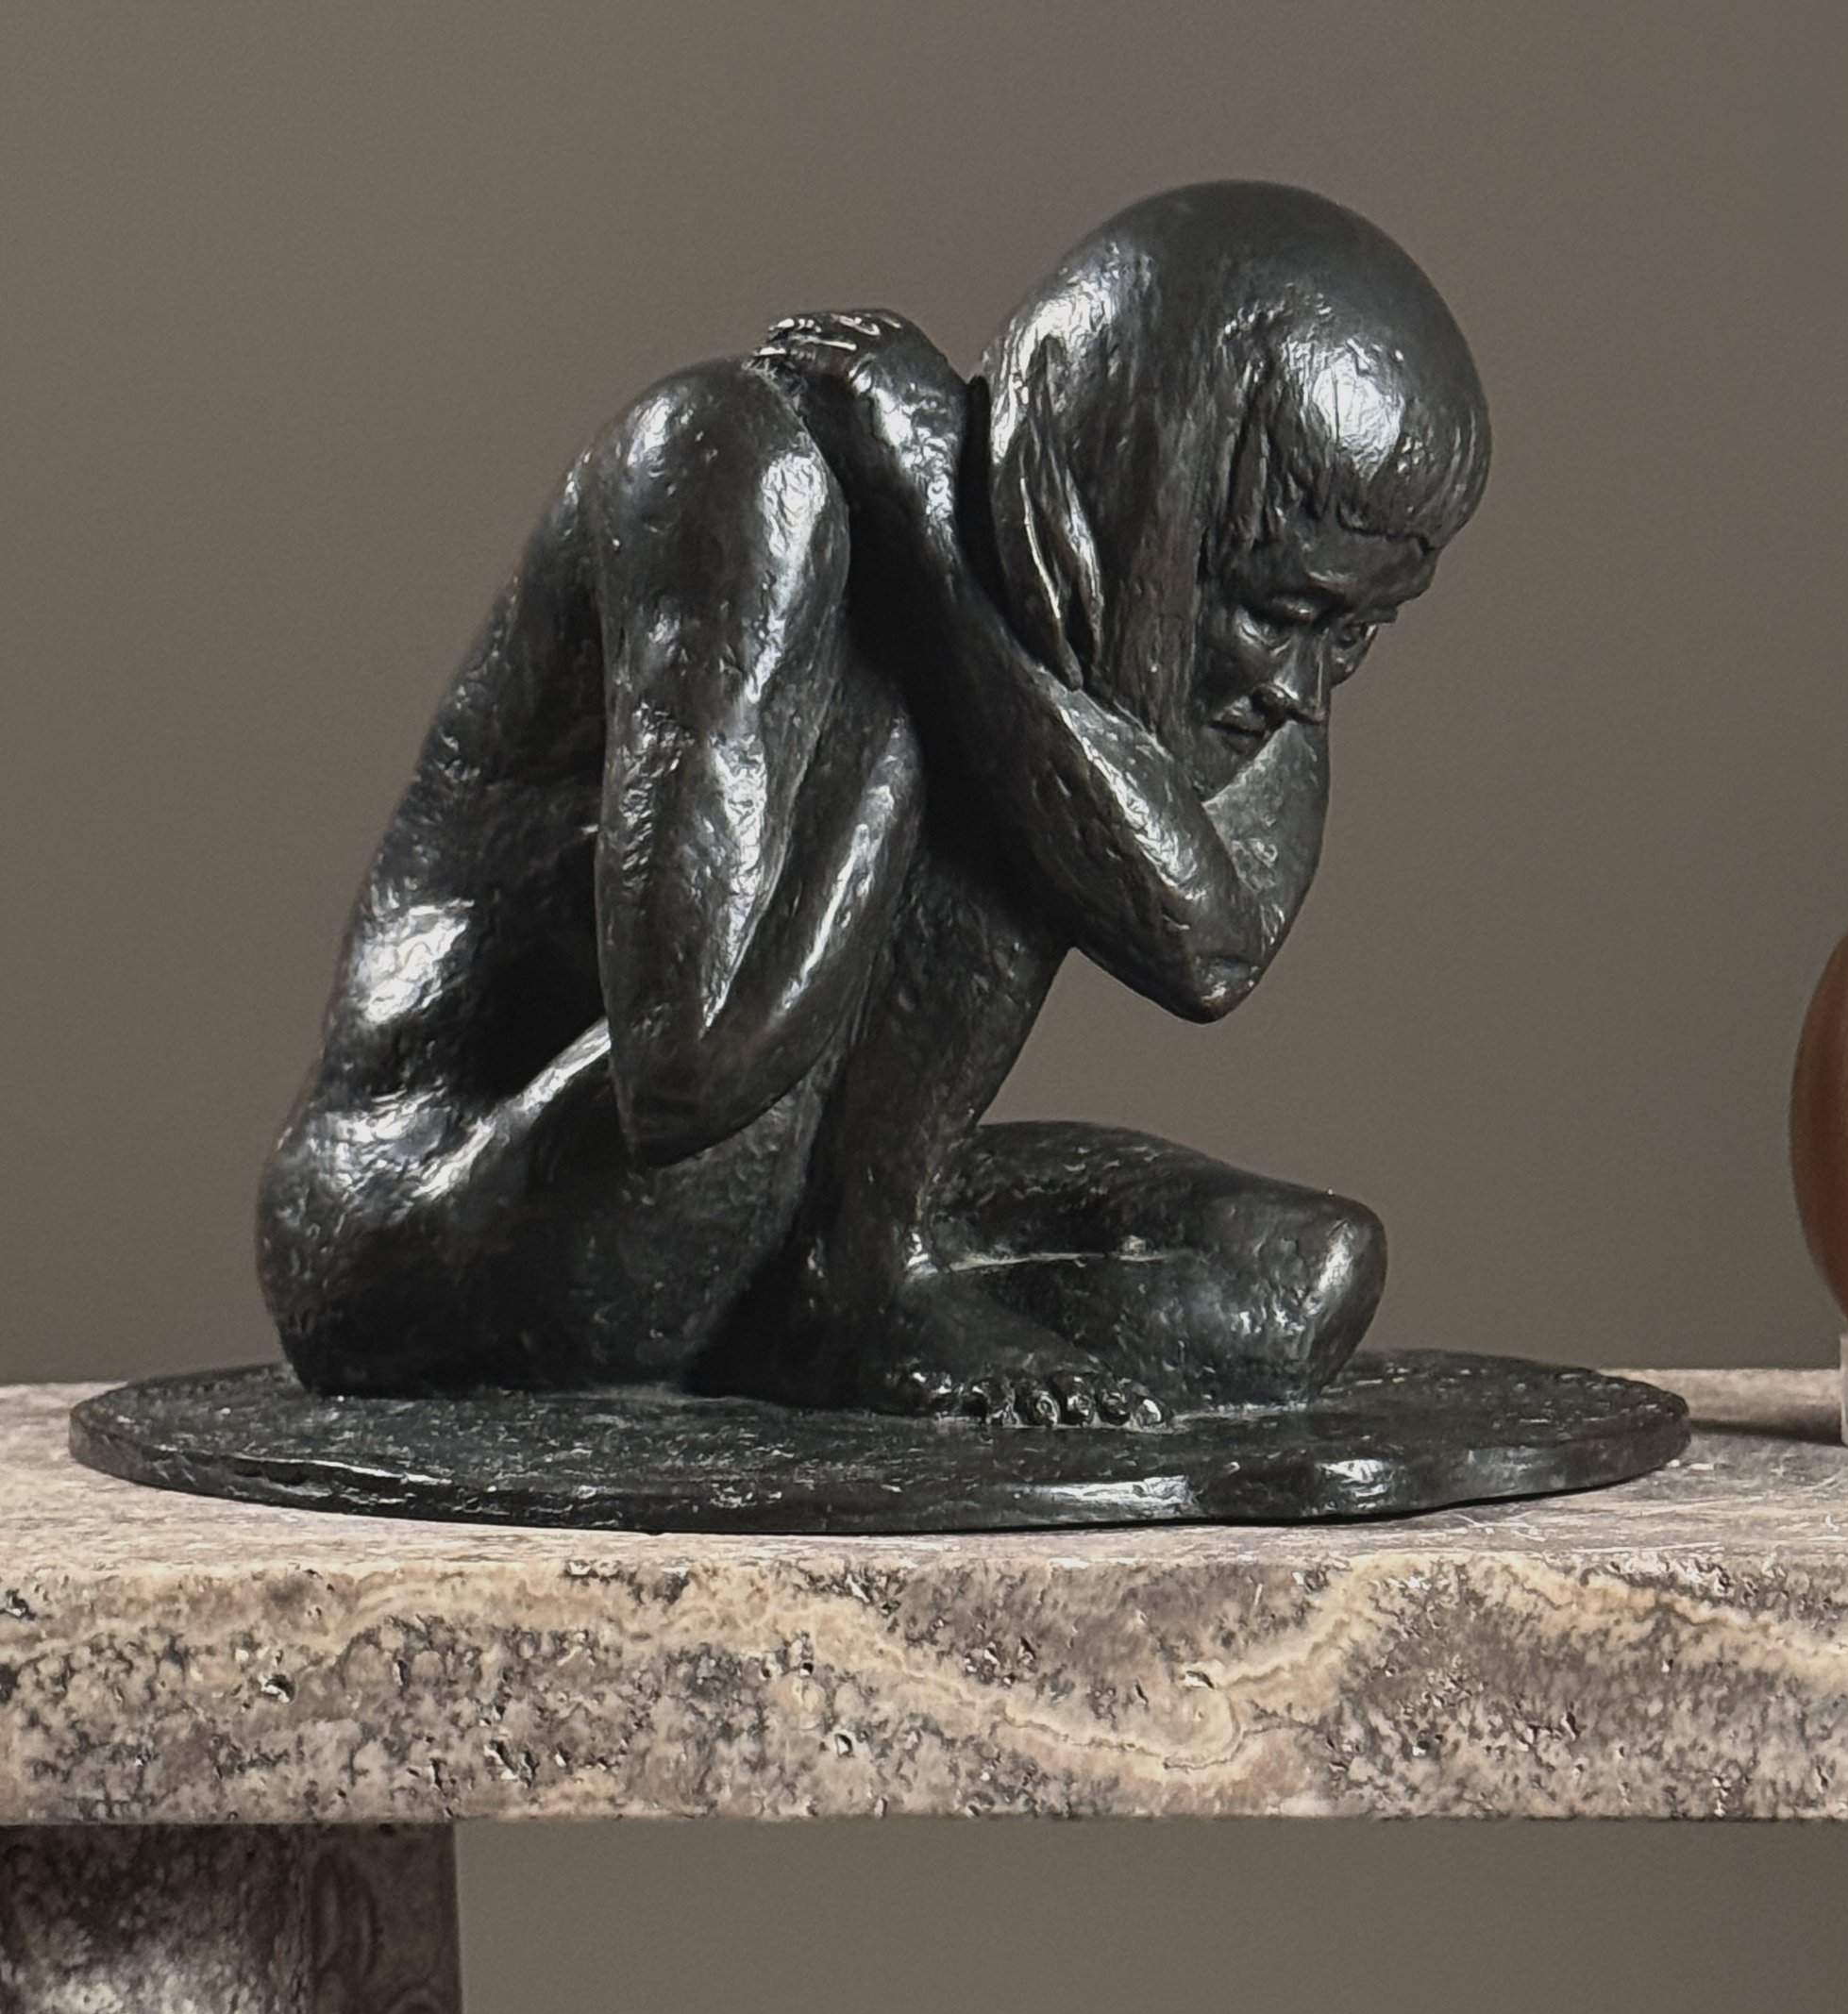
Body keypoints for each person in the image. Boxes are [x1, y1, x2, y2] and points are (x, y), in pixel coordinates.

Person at [258, 182, 1489, 1424]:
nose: (1298, 688)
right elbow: (691, 1068)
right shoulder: (740, 467)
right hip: (459, 1211)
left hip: (801, 1189)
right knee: (959, 731)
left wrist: (945, 560)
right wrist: (930, 582)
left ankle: (855, 1284)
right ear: (1143, 489)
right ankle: (858, 1301)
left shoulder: (1201, 647)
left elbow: (1211, 946)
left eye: (1360, 628)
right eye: (1277, 614)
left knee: (1297, 1279)